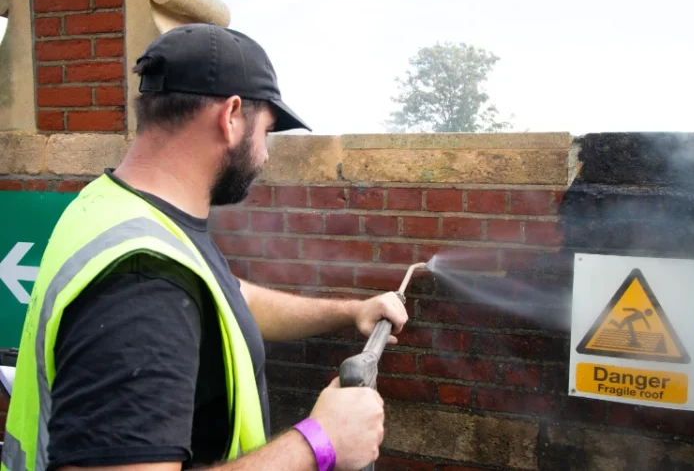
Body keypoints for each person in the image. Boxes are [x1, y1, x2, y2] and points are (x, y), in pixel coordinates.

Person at [2, 24, 409, 471]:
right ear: (232, 115)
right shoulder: (144, 283)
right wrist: (318, 444)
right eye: (267, 132)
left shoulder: (113, 207)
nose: (267, 155)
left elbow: (233, 297)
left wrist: (350, 311)